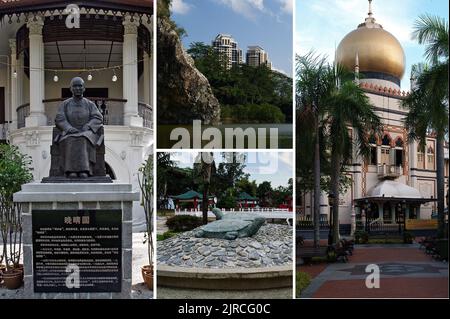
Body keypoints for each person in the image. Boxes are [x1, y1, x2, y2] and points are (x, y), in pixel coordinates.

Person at [54, 77, 103, 178]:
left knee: (83, 138)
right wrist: (68, 128)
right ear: (71, 88)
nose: (78, 88)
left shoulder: (89, 104)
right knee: (71, 139)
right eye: (75, 86)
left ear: (84, 88)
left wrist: (88, 126)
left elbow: (98, 117)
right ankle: (70, 171)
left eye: (80, 86)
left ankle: (84, 170)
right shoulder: (65, 104)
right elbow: (59, 118)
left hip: (86, 132)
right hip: (70, 132)